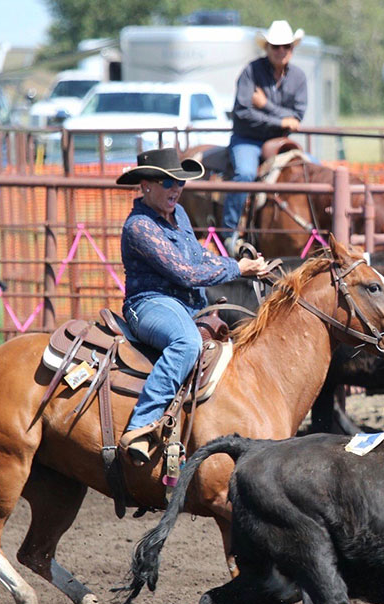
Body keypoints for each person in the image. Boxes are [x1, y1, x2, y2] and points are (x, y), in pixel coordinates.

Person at [116, 148, 270, 465]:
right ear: (145, 185)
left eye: (180, 183)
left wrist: (238, 264)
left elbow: (199, 258)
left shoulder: (180, 216)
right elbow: (185, 273)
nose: (176, 189)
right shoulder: (140, 227)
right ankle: (141, 426)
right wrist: (239, 270)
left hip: (185, 304)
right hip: (149, 303)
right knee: (186, 343)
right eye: (167, 182)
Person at [221, 20, 308, 251]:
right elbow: (242, 112)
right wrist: (281, 120)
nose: (281, 51)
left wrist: (266, 105)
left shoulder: (298, 77)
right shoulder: (251, 71)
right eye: (276, 46)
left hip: (280, 141)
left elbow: (297, 116)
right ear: (267, 48)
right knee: (245, 174)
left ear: (292, 48)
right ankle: (229, 232)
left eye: (286, 46)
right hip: (247, 138)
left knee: (312, 169)